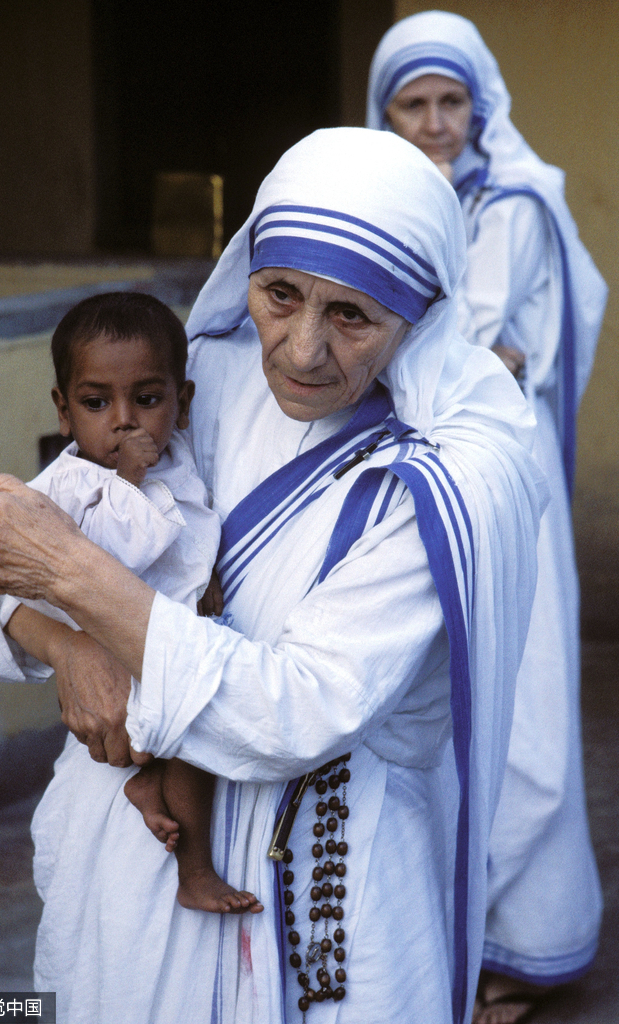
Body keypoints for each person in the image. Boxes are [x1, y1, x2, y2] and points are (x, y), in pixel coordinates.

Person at [0, 128, 545, 1024]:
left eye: (354, 314)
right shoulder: (188, 378)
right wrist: (68, 649)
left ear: (418, 313)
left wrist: (74, 578)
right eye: (280, 294)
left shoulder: (450, 476)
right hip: (131, 855)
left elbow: (296, 710)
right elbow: (4, 563)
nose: (301, 351)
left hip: (329, 869)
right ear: (245, 274)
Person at [367, 12, 607, 1023]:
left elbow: (483, 344)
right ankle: (439, 928)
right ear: (381, 113)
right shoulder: (385, 200)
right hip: (420, 478)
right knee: (428, 711)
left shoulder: (513, 199)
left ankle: (518, 940)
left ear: (480, 103)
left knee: (519, 711)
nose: (433, 124)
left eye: (448, 102)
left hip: (501, 489)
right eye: (411, 105)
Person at [0, 290, 260, 916]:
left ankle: (149, 784)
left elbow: (200, 536)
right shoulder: (69, 485)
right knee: (193, 741)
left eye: (148, 400)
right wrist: (128, 481)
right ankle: (195, 869)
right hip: (135, 660)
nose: (123, 420)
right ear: (64, 412)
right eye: (97, 403)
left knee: (199, 740)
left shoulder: (183, 458)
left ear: (183, 404)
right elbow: (112, 553)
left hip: (188, 640)